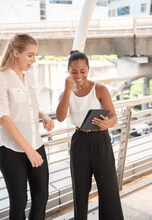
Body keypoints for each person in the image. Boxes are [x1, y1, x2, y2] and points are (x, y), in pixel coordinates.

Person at [0, 33, 54, 220]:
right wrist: (29, 150)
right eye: (30, 55)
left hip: (35, 143)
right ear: (16, 53)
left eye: (35, 55)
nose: (34, 60)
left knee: (41, 195)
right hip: (12, 149)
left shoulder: (30, 77)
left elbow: (29, 106)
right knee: (19, 202)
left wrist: (43, 114)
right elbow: (4, 118)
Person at [56, 51, 124, 220]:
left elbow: (113, 116)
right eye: (74, 72)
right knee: (80, 189)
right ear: (68, 71)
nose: (79, 75)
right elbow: (60, 117)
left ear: (88, 69)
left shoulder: (100, 89)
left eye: (82, 71)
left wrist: (109, 123)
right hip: (79, 141)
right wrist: (67, 90)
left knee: (108, 188)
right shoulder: (66, 93)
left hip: (100, 140)